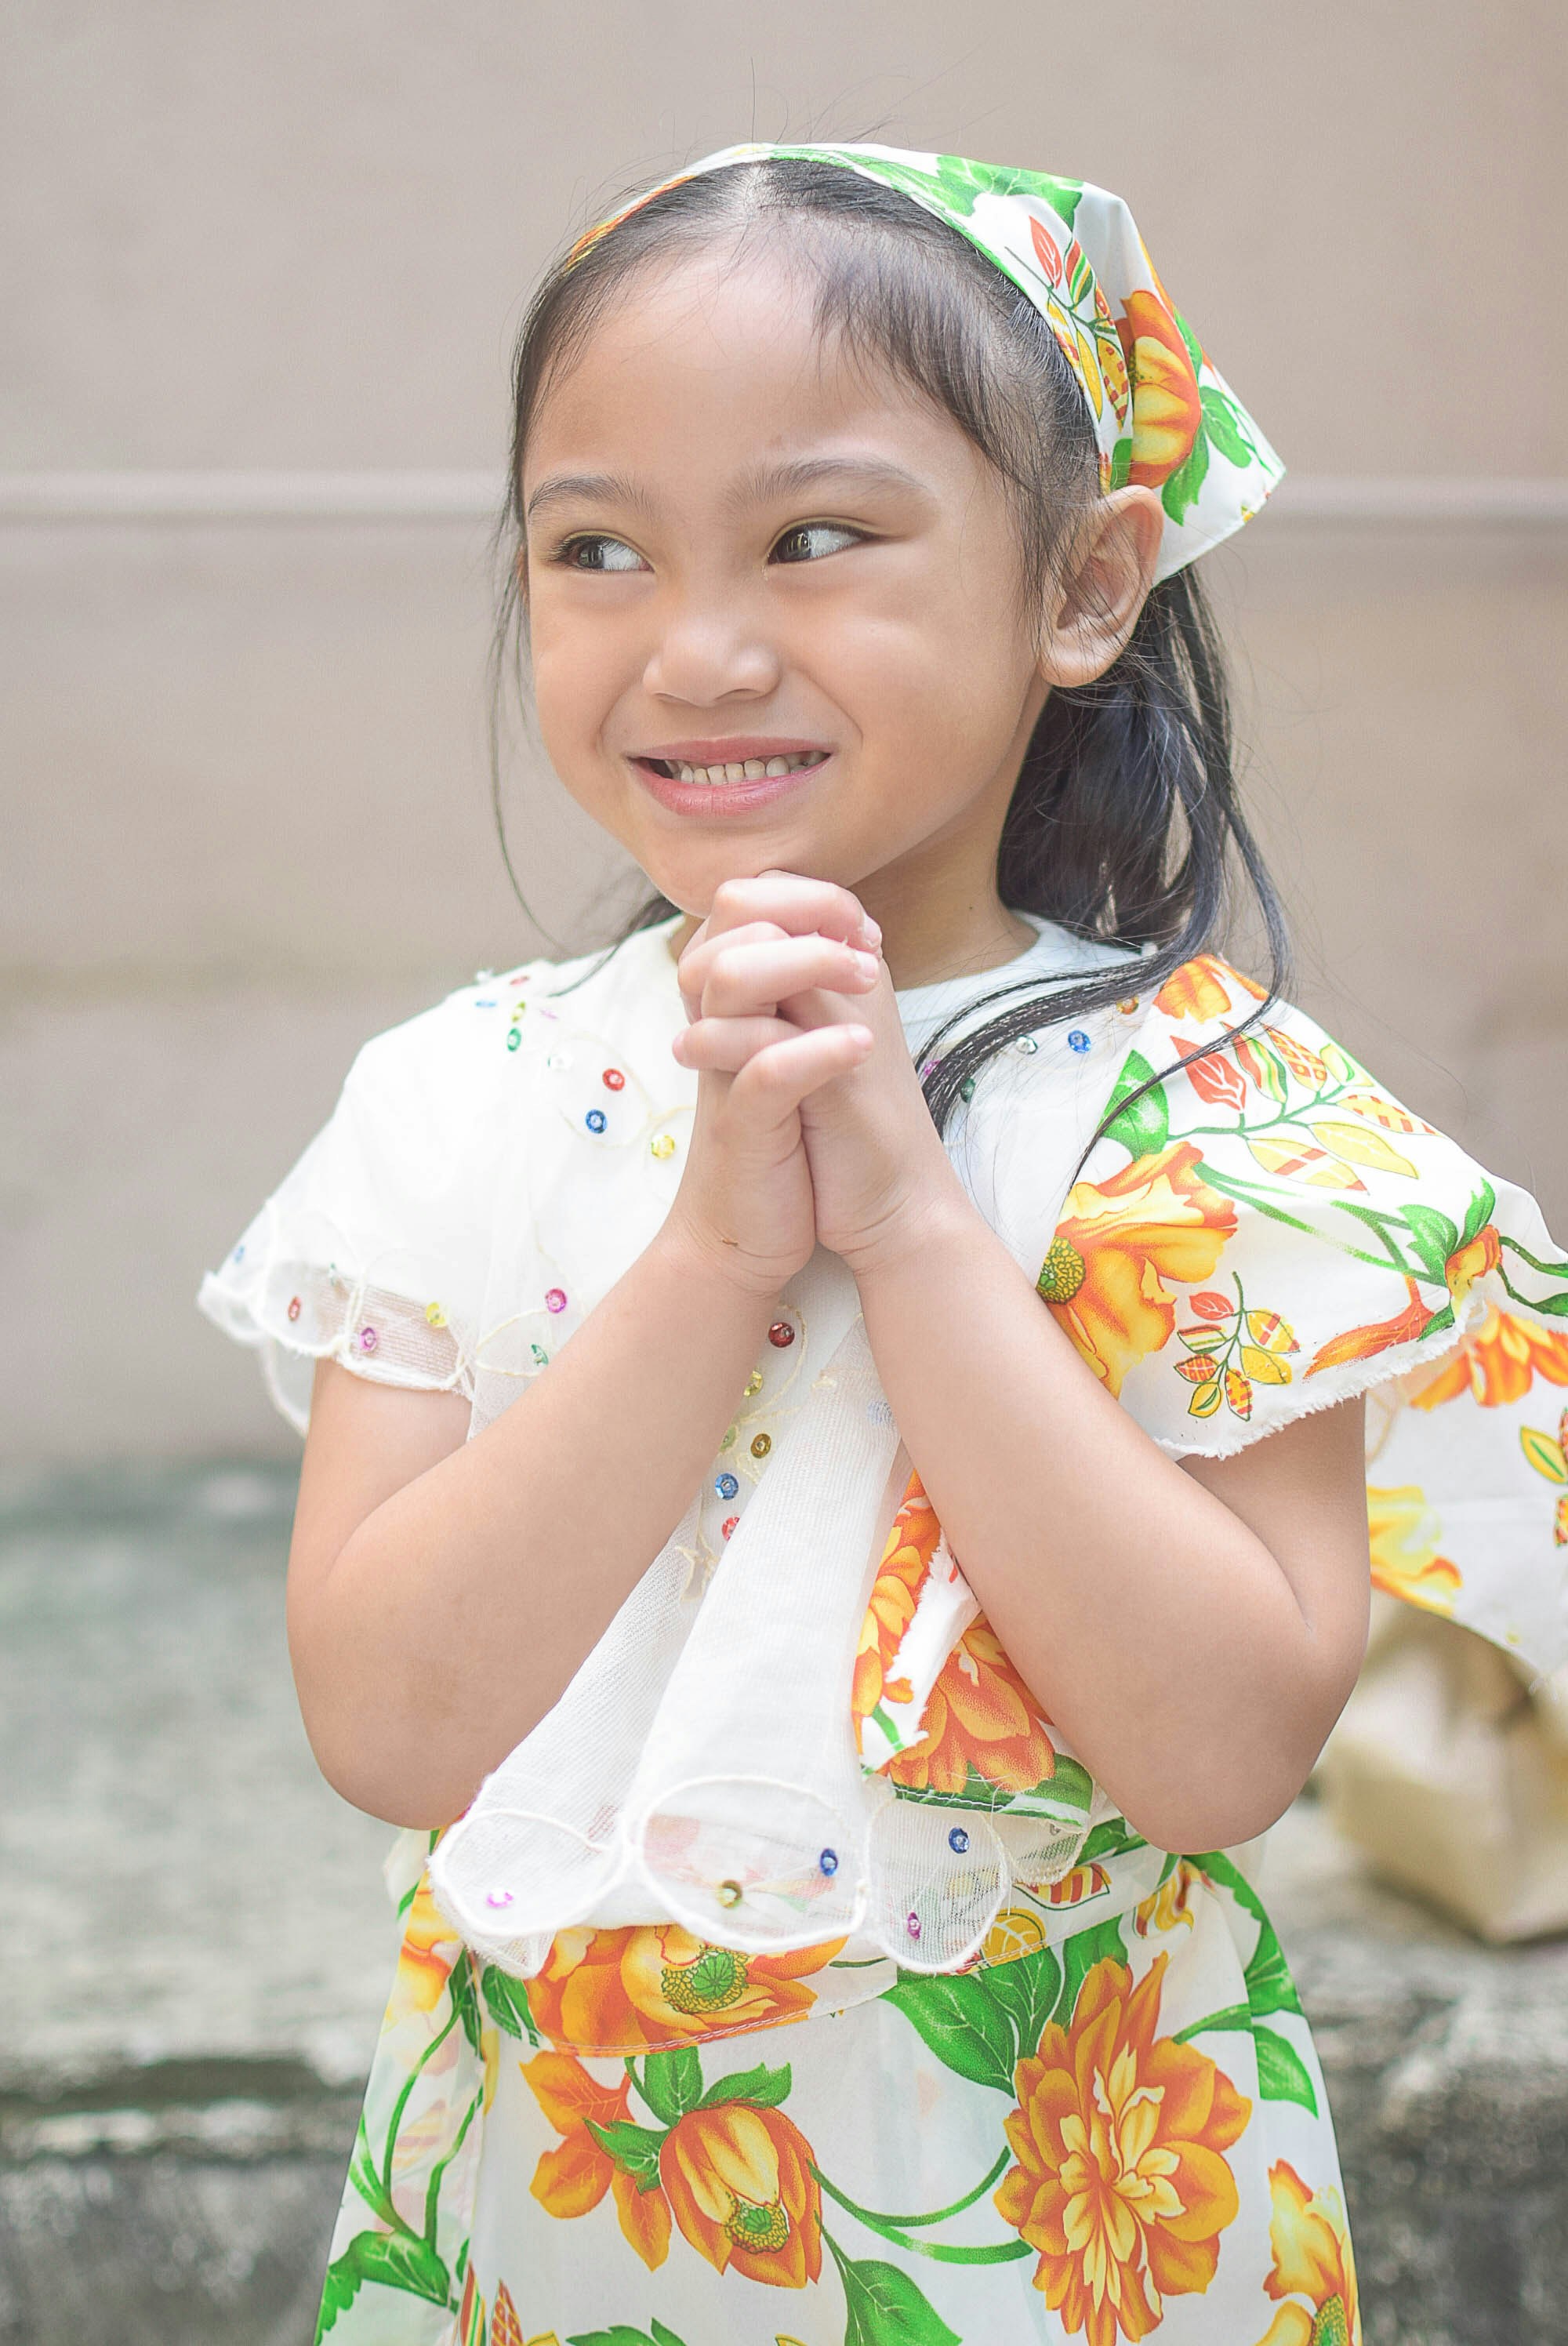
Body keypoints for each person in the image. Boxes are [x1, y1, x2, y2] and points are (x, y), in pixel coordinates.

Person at [199, 144, 1568, 2346]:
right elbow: (389, 1715)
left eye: (816, 537)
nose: (698, 643)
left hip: (1075, 2205)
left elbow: (1222, 1755)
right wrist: (708, 1260)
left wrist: (914, 1224)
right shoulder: (457, 1108)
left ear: (1087, 585)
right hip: (566, 2194)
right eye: (597, 549)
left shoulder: (1207, 1134)